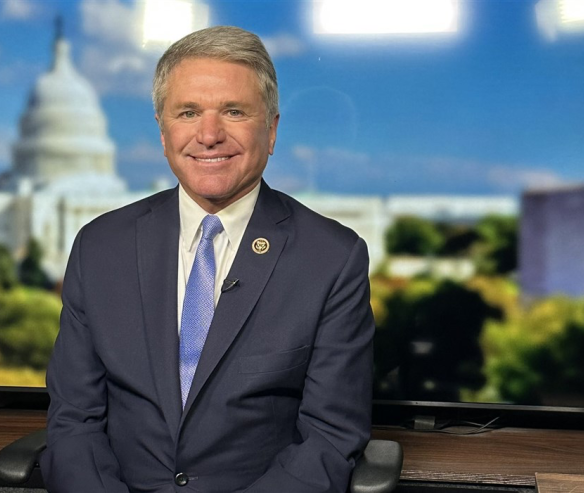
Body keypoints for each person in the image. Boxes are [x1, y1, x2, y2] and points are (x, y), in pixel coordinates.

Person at [41, 25, 375, 493]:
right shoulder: (99, 248)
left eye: (234, 111)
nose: (209, 134)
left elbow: (330, 438)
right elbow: (75, 423)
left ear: (272, 129)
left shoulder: (332, 259)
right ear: (162, 131)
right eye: (188, 112)